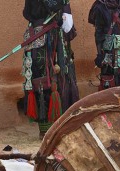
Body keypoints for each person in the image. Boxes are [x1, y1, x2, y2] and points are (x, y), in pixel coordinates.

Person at [22, 0, 79, 139]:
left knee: (60, 78)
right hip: (40, 41)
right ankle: (46, 129)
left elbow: (67, 27)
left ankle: (61, 126)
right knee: (42, 80)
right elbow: (29, 13)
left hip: (56, 40)